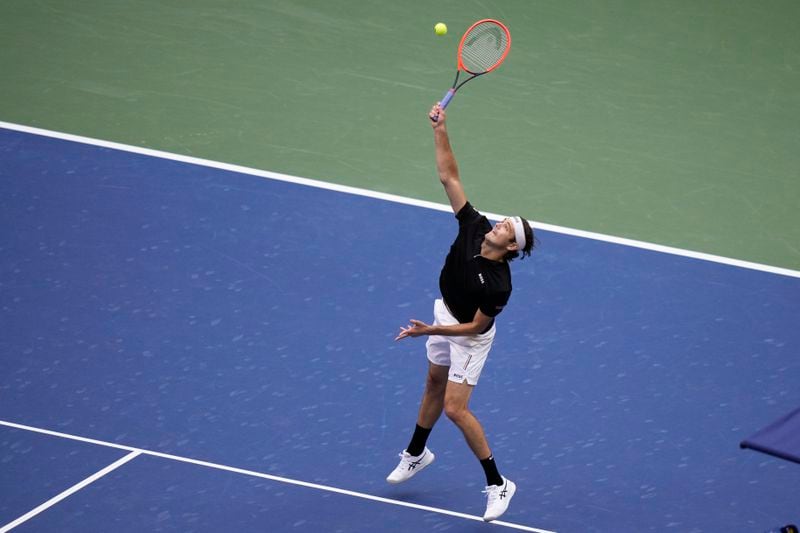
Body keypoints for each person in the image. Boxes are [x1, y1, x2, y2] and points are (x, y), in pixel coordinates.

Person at [387, 102, 534, 522]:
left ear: (510, 248)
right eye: (503, 220)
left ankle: (498, 483)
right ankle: (417, 453)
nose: (499, 223)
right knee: (433, 381)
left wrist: (429, 329)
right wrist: (440, 128)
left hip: (467, 334)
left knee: (455, 407)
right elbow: (449, 175)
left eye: (507, 228)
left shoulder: (500, 285)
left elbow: (475, 326)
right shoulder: (474, 225)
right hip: (444, 314)